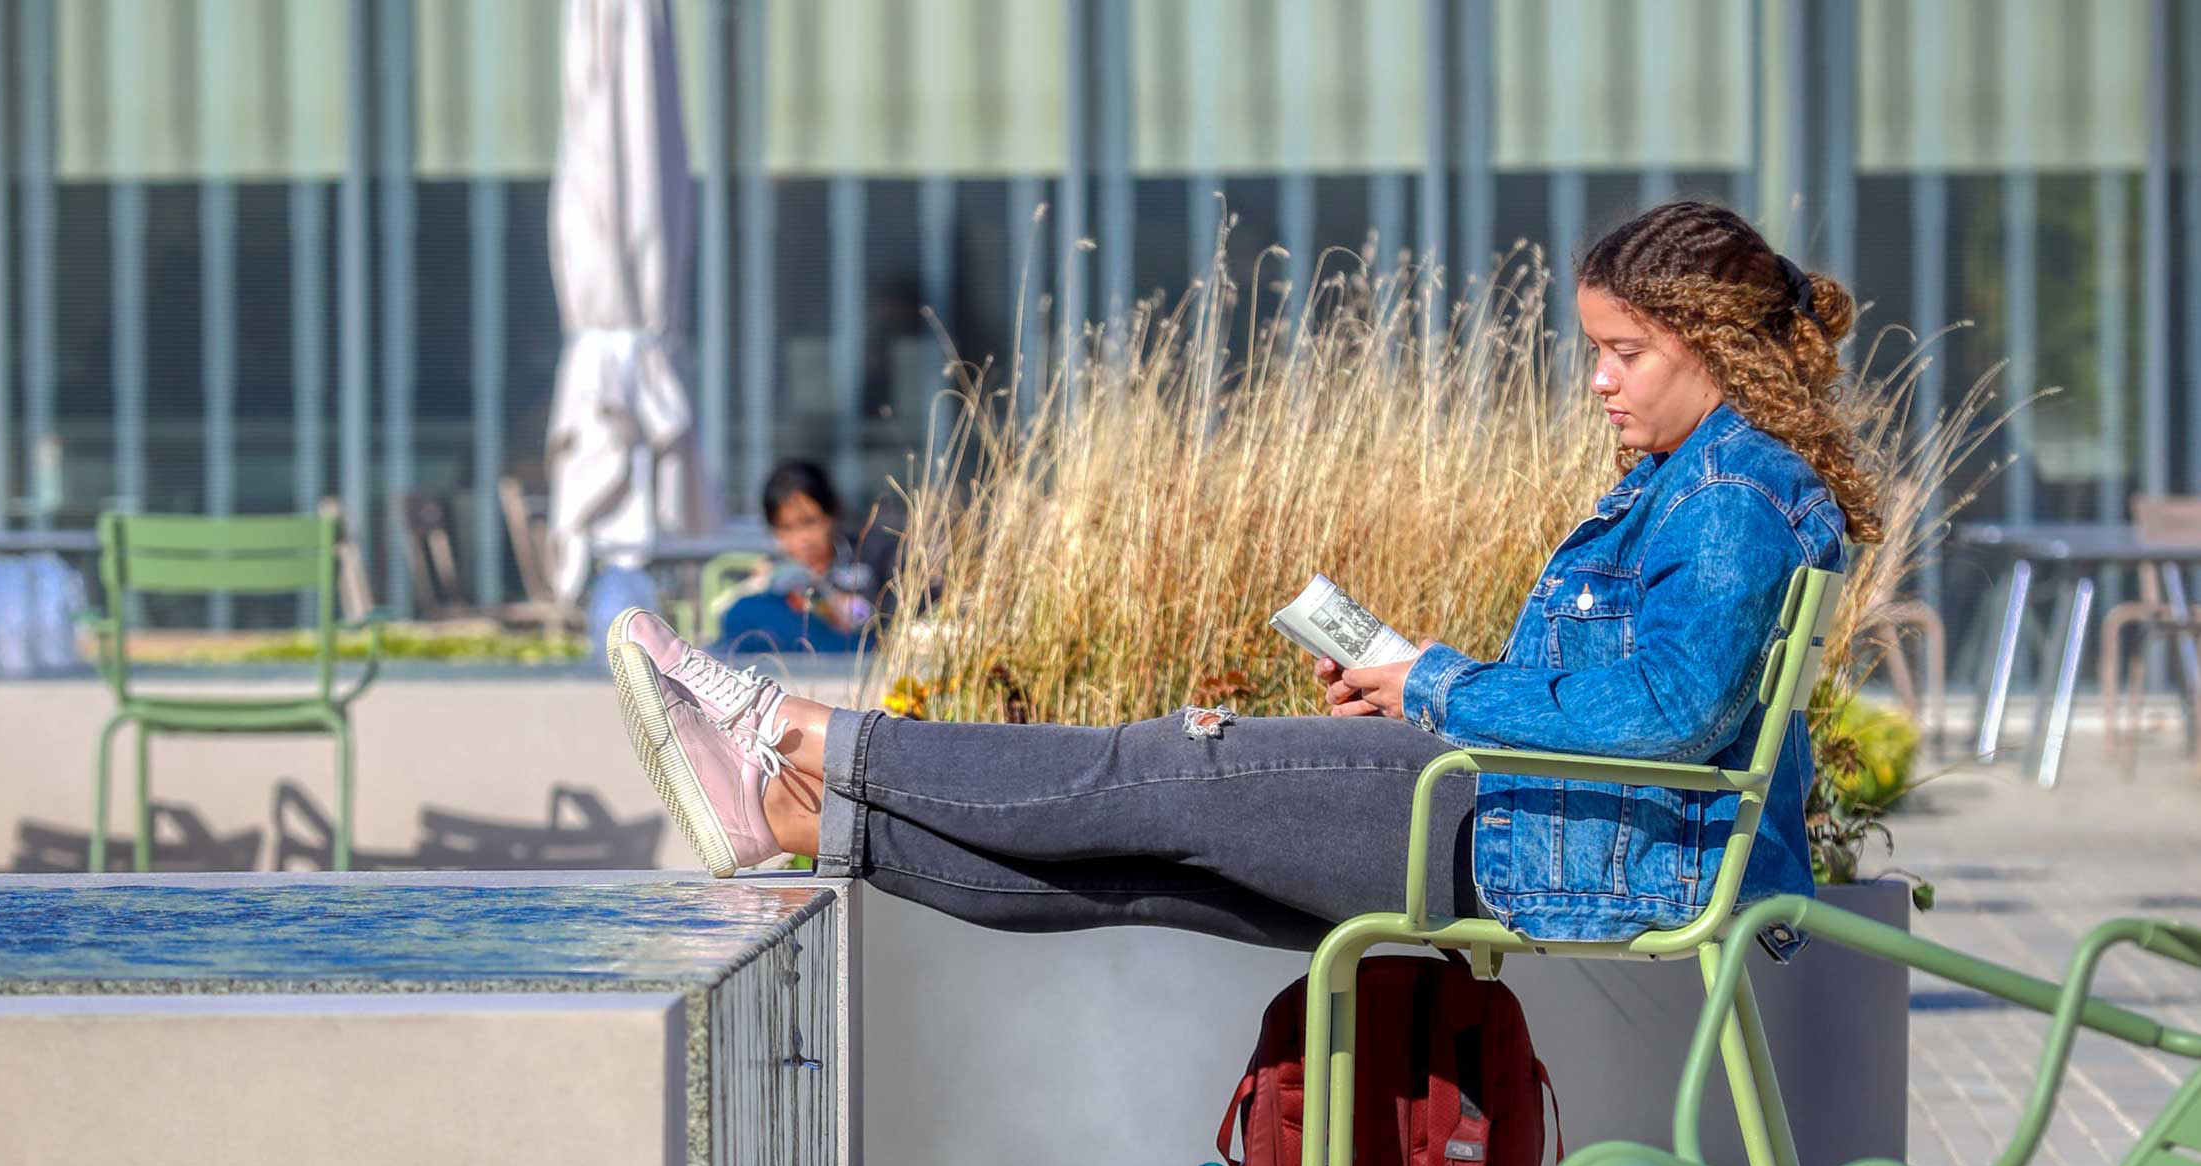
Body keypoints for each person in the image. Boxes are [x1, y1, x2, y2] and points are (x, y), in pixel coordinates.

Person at [604, 202, 1876, 951]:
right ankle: (792, 820)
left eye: (1625, 353)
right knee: (1150, 865)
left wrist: (1433, 680)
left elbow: (1666, 711)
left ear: (1710, 346)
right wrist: (1419, 679)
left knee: (1167, 765)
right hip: (1545, 837)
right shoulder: (1705, 480)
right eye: (1594, 350)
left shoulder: (1727, 494)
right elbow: (1638, 699)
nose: (1597, 380)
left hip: (1533, 848)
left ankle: (797, 728)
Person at [712, 460, 901, 656]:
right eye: (786, 528)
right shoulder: (774, 576)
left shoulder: (872, 559)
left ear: (832, 514)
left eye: (809, 523)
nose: (802, 539)